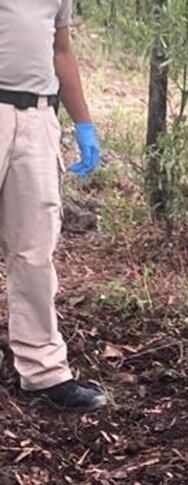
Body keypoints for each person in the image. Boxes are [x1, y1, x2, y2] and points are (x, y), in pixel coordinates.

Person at [1, 0, 104, 411]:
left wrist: (83, 122)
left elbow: (61, 50)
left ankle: (42, 370)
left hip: (38, 117)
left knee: (35, 250)